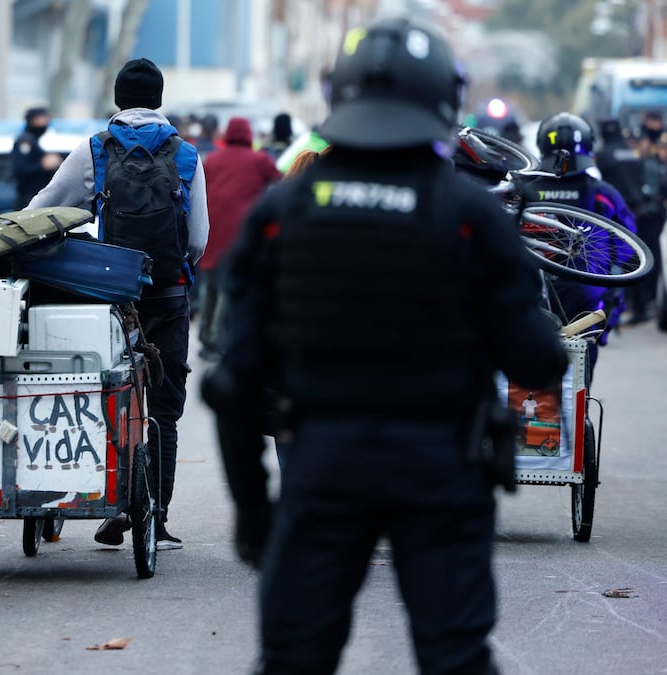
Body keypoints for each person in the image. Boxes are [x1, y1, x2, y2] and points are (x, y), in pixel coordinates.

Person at [204, 18, 567, 674]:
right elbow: (538, 360)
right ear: (443, 99)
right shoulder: (471, 213)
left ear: (340, 94)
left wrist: (254, 515)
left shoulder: (284, 211)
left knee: (292, 659)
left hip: (322, 470)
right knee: (456, 658)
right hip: (442, 472)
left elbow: (234, 382)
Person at [28, 57, 209, 550]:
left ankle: (117, 500)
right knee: (164, 411)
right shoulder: (187, 155)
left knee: (111, 398)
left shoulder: (96, 150)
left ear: (118, 98)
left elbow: (44, 209)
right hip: (169, 295)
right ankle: (157, 520)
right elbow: (198, 239)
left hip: (114, 298)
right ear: (160, 99)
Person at [515, 112, 637, 382]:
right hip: (587, 302)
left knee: (525, 383)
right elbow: (629, 251)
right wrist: (614, 299)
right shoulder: (603, 193)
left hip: (531, 298)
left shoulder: (524, 190)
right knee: (579, 379)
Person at [197, 116, 282, 359]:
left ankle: (205, 336)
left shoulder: (212, 160)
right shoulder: (258, 160)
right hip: (239, 232)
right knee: (228, 287)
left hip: (211, 230)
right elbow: (280, 180)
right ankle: (217, 339)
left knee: (211, 287)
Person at [625, 111, 667, 324]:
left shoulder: (652, 164)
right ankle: (640, 304)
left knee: (652, 259)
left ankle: (646, 303)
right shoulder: (643, 162)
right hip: (646, 215)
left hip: (653, 217)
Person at [11, 106, 62, 209]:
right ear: (34, 119)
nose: (47, 122)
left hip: (37, 200)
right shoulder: (25, 141)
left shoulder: (34, 141)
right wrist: (42, 165)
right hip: (28, 200)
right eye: (43, 119)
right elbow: (19, 169)